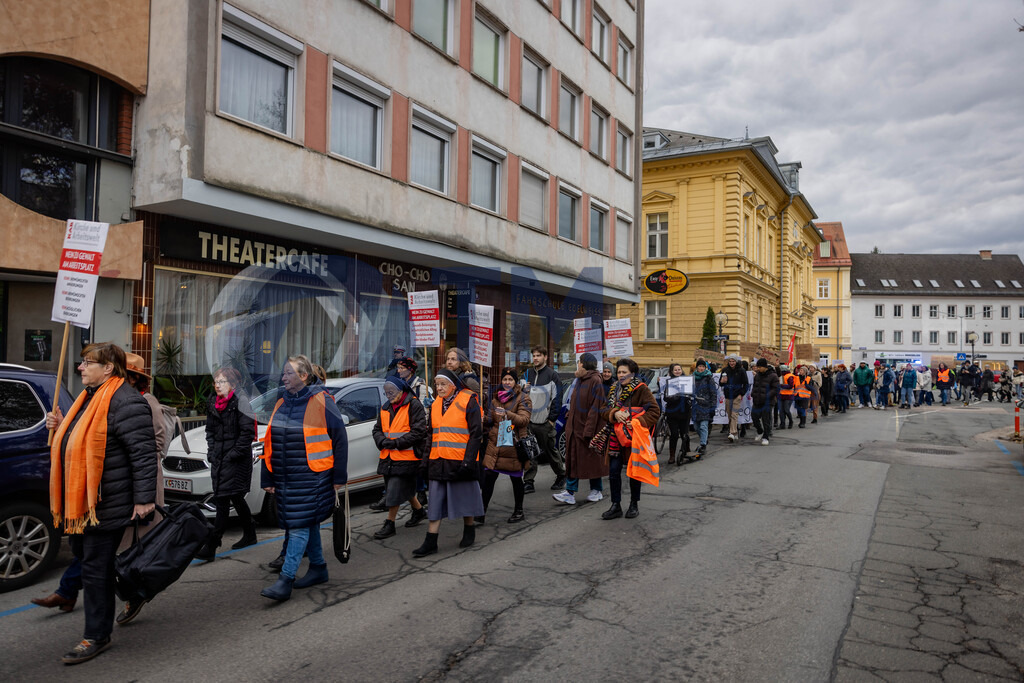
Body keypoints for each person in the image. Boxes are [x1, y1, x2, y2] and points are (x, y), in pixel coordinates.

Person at [42, 343, 157, 665]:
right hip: (83, 505)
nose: (80, 368)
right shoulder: (88, 398)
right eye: (81, 362)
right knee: (88, 560)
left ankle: (96, 635)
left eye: (87, 363)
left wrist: (144, 499)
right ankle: (134, 592)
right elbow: (83, 439)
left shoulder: (127, 402)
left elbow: (143, 454)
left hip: (107, 503)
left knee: (93, 569)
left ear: (108, 368)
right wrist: (61, 427)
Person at [259, 355, 348, 601]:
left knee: (298, 526)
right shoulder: (281, 402)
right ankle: (318, 568)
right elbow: (270, 442)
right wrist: (267, 477)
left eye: (289, 373)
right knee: (307, 523)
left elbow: (340, 439)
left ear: (304, 376)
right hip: (287, 478)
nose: (284, 377)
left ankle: (285, 579)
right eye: (283, 373)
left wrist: (339, 475)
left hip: (313, 477)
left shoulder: (322, 401)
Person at [412, 369, 485, 557]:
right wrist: (425, 462)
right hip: (438, 461)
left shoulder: (469, 400)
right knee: (435, 503)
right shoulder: (435, 404)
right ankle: (431, 541)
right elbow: (431, 435)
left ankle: (469, 529)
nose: (439, 388)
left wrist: (468, 462)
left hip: (461, 461)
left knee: (465, 498)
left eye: (443, 384)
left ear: (453, 385)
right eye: (437, 384)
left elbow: (476, 434)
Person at [196, 366, 258, 562]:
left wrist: (232, 455)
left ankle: (212, 545)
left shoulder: (241, 402)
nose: (217, 385)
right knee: (235, 497)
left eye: (222, 381)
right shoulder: (213, 402)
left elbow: (247, 433)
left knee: (222, 499)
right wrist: (212, 452)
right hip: (220, 458)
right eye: (216, 381)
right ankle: (250, 533)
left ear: (233, 384)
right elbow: (210, 431)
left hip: (235, 459)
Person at [594, 358, 659, 520]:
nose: (621, 375)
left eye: (624, 372)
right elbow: (603, 410)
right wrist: (614, 413)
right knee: (613, 472)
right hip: (615, 439)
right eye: (619, 372)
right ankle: (616, 505)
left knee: (634, 473)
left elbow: (654, 411)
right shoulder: (613, 388)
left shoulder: (641, 389)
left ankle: (633, 504)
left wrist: (637, 421)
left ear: (633, 374)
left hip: (633, 439)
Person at [370, 375, 429, 539]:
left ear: (401, 390)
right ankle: (419, 511)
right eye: (387, 393)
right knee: (403, 488)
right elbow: (377, 429)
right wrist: (382, 441)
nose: (389, 396)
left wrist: (396, 443)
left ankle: (390, 523)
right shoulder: (386, 407)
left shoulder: (414, 405)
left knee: (394, 490)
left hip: (407, 457)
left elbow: (418, 431)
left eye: (392, 392)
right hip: (389, 456)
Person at [554, 353, 606, 505]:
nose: (578, 364)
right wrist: (571, 414)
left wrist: (589, 431)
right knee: (573, 460)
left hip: (586, 430)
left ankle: (596, 490)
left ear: (584, 364)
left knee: (592, 461)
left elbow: (595, 408)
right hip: (574, 428)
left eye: (579, 362)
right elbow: (577, 402)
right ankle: (569, 492)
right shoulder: (579, 380)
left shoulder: (595, 380)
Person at [480, 368, 531, 523]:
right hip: (496, 443)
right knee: (489, 477)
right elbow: (490, 420)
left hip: (513, 444)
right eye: (505, 379)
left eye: (510, 379)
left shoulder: (523, 398)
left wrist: (507, 414)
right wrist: (483, 418)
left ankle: (519, 511)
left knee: (515, 478)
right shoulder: (495, 398)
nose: (507, 382)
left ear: (515, 382)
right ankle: (481, 512)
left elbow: (524, 420)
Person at [520, 347, 565, 493]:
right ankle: (528, 481)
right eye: (533, 355)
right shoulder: (527, 374)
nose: (535, 358)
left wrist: (551, 419)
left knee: (551, 451)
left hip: (545, 422)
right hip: (529, 421)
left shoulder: (552, 375)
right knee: (530, 452)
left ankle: (561, 475)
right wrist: (523, 390)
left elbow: (557, 399)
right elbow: (518, 395)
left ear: (545, 357)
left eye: (538, 355)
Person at [660, 363, 691, 464]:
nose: (678, 371)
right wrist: (676, 396)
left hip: (684, 412)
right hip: (672, 413)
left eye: (679, 369)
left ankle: (687, 450)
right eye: (675, 370)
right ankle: (672, 455)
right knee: (674, 434)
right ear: (672, 372)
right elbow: (665, 397)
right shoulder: (669, 383)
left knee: (684, 433)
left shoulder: (687, 381)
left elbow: (691, 394)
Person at [718, 356, 749, 442]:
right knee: (729, 414)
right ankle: (735, 433)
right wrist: (722, 382)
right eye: (730, 361)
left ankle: (732, 432)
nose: (731, 363)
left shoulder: (741, 370)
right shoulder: (725, 370)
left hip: (737, 395)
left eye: (733, 361)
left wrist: (741, 393)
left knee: (734, 414)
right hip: (728, 395)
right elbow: (720, 383)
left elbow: (746, 384)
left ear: (736, 362)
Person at [691, 360, 717, 457]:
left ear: (705, 368)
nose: (701, 368)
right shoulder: (692, 377)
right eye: (699, 366)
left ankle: (703, 445)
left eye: (703, 366)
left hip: (706, 405)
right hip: (695, 405)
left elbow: (713, 393)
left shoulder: (708, 377)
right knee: (696, 427)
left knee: (703, 426)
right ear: (697, 367)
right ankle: (704, 439)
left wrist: (713, 406)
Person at [750, 359, 779, 445]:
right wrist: (753, 394)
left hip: (768, 402)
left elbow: (776, 389)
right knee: (754, 417)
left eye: (759, 367)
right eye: (757, 367)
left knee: (766, 419)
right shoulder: (757, 375)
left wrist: (767, 395)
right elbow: (755, 386)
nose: (758, 369)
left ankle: (766, 437)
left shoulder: (773, 376)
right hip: (757, 400)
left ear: (764, 367)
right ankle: (760, 431)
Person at [777, 364, 795, 429]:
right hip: (781, 395)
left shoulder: (789, 376)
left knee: (786, 410)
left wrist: (781, 386)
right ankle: (782, 424)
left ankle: (790, 421)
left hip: (788, 396)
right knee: (781, 411)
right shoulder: (781, 376)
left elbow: (791, 386)